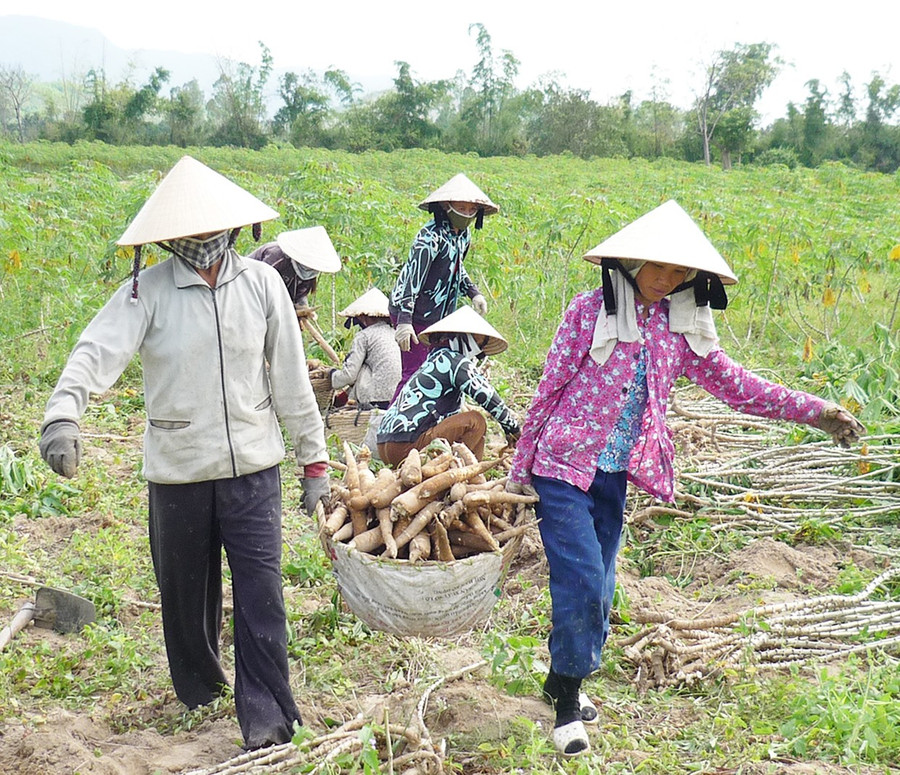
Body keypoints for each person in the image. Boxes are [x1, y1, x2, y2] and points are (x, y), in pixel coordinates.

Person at [506, 200, 866, 758]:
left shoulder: (681, 329)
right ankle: (568, 704)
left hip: (615, 474)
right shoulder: (589, 312)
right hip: (561, 466)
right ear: (630, 261)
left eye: (678, 273)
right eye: (658, 268)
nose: (666, 280)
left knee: (601, 586)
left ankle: (561, 676)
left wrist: (814, 411)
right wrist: (519, 467)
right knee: (579, 577)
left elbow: (737, 384)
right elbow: (549, 387)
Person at [37, 155, 332, 751]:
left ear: (231, 224)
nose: (203, 238)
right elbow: (95, 352)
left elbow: (293, 381)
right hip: (178, 471)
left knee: (262, 595)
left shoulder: (263, 285)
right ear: (169, 233)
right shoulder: (146, 291)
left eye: (211, 226)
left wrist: (314, 461)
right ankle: (199, 689)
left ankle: (269, 717)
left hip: (253, 467)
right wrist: (63, 414)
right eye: (190, 229)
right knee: (184, 591)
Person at [388, 173, 498, 397]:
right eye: (461, 208)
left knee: (435, 369)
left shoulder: (462, 235)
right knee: (414, 374)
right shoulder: (429, 238)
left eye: (471, 210)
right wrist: (405, 321)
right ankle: (392, 425)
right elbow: (412, 278)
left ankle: (427, 425)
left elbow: (456, 267)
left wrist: (473, 292)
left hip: (440, 315)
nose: (467, 214)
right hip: (414, 312)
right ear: (446, 206)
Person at [377, 306, 520, 467]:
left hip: (385, 446)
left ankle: (470, 474)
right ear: (463, 337)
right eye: (479, 341)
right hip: (408, 447)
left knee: (475, 432)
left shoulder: (430, 362)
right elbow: (487, 396)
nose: (479, 350)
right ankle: (464, 476)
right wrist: (513, 429)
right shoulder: (454, 361)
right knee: (476, 421)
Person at [329, 287, 401, 409]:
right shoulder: (394, 333)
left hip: (376, 398)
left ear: (363, 317)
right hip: (398, 395)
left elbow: (349, 375)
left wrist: (332, 375)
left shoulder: (364, 336)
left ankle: (341, 402)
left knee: (360, 366)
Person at [248, 224, 342, 309]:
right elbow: (262, 287)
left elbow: (300, 293)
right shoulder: (276, 256)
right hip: (249, 290)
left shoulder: (309, 271)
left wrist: (303, 308)